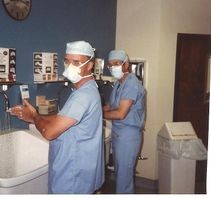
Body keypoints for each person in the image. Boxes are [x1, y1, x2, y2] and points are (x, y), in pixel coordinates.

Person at [10, 41, 105, 194]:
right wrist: (35, 116)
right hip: (78, 169)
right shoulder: (88, 89)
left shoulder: (83, 96)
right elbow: (64, 117)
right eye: (67, 61)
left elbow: (49, 132)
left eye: (76, 62)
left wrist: (34, 116)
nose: (70, 66)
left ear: (90, 65)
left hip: (72, 175)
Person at [103, 50, 145, 193]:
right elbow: (111, 105)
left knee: (124, 178)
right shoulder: (118, 83)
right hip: (118, 134)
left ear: (126, 65)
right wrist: (93, 107)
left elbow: (120, 114)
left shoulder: (131, 83)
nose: (113, 67)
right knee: (120, 174)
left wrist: (98, 114)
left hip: (128, 136)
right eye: (110, 65)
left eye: (117, 63)